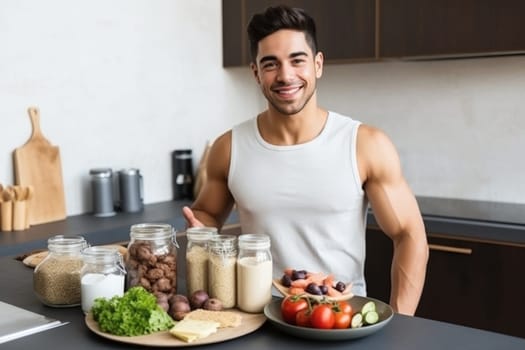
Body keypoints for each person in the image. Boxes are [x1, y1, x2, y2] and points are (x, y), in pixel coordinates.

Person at [183, 5, 428, 315]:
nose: (286, 76)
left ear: (318, 64)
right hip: (259, 318)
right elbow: (207, 214)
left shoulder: (365, 144)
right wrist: (200, 228)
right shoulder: (229, 147)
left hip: (339, 319)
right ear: (256, 72)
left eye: (297, 60)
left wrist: (401, 322)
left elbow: (409, 234)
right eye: (270, 64)